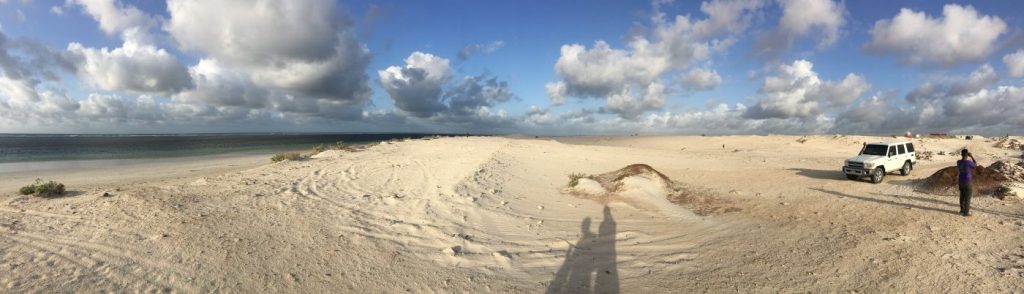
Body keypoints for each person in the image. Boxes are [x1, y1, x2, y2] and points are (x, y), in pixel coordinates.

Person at [956, 149, 977, 217]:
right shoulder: (968, 162)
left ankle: (962, 210)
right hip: (967, 181)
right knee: (967, 197)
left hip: (960, 181)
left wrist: (967, 155)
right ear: (967, 155)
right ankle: (966, 213)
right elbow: (975, 164)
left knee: (962, 196)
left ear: (961, 154)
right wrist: (971, 156)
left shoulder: (958, 162)